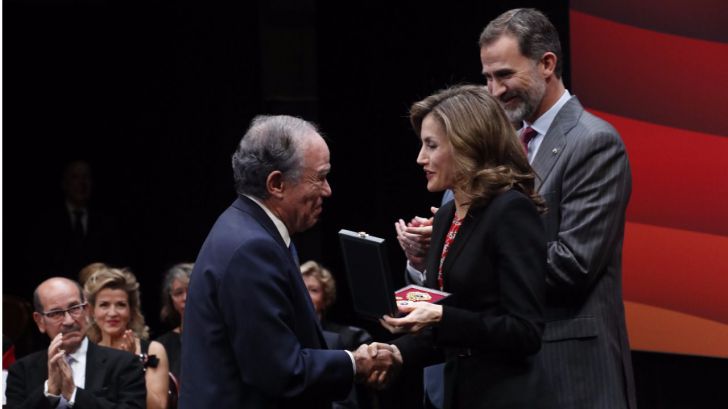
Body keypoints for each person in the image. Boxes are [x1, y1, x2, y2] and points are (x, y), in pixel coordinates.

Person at [179, 115, 400, 409]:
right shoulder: (252, 248)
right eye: (320, 177)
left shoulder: (248, 229)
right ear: (277, 183)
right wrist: (355, 363)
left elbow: (281, 337)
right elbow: (279, 372)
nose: (328, 190)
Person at [477, 8, 636, 408]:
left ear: (547, 64)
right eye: (488, 78)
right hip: (510, 372)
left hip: (572, 371)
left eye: (505, 75)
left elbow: (573, 265)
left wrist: (475, 259)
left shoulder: (594, 143)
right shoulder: (502, 146)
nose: (494, 91)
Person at [380, 84, 554, 408]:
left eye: (431, 146)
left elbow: (524, 332)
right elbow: (446, 324)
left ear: (467, 146)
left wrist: (440, 316)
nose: (420, 158)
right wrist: (395, 353)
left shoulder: (510, 211)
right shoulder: (447, 215)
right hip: (457, 393)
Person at [5, 277, 146, 408]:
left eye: (74, 308)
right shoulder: (21, 370)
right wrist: (49, 391)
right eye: (56, 313)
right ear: (40, 321)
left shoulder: (124, 364)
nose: (69, 321)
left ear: (86, 310)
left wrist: (73, 393)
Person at [84, 267, 170, 409]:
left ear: (131, 310)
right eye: (104, 305)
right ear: (92, 311)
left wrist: (133, 367)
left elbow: (158, 407)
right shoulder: (87, 353)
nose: (112, 313)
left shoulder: (153, 349)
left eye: (121, 305)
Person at [301, 260, 376, 409]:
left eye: (313, 290)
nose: (306, 296)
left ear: (326, 298)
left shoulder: (351, 338)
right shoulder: (287, 336)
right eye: (302, 289)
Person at [155, 262, 193, 382]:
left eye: (191, 289)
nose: (185, 298)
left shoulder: (218, 335)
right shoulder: (162, 345)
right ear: (171, 300)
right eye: (178, 293)